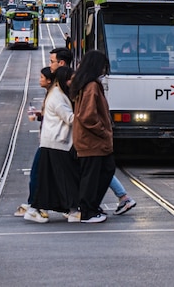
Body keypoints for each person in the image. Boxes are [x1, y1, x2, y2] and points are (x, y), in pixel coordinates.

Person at [25, 66, 79, 223]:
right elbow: (69, 118)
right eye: (70, 79)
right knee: (65, 178)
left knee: (51, 178)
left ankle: (42, 208)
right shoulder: (58, 96)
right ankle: (70, 210)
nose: (71, 82)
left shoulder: (56, 93)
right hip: (57, 142)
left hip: (53, 142)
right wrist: (87, 116)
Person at [70, 50, 116, 223]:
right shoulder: (91, 86)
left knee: (105, 170)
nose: (104, 70)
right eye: (103, 66)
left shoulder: (85, 84)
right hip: (92, 140)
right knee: (93, 175)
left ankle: (92, 206)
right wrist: (103, 130)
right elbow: (87, 115)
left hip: (91, 140)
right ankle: (88, 211)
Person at [15, 66, 57, 218]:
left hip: (51, 141)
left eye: (41, 77)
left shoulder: (54, 95)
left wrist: (42, 116)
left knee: (37, 173)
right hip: (49, 140)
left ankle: (35, 204)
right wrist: (40, 115)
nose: (39, 80)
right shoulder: (51, 94)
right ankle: (36, 203)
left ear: (49, 80)